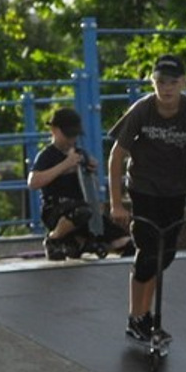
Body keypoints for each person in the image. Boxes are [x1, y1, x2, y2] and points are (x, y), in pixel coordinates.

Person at [108, 54, 186, 343]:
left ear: (183, 83)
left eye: (173, 83)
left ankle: (144, 316)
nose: (166, 89)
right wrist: (117, 203)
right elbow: (116, 155)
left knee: (164, 255)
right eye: (160, 82)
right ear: (152, 83)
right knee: (147, 253)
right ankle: (137, 317)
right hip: (144, 189)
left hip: (176, 190)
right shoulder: (142, 110)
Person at [27, 106, 130, 260]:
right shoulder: (47, 155)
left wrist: (90, 170)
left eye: (74, 136)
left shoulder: (79, 153)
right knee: (81, 212)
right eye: (67, 135)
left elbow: (90, 185)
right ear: (54, 130)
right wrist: (65, 166)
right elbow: (33, 182)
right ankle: (54, 239)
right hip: (58, 209)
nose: (71, 140)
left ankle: (85, 243)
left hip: (85, 208)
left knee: (126, 243)